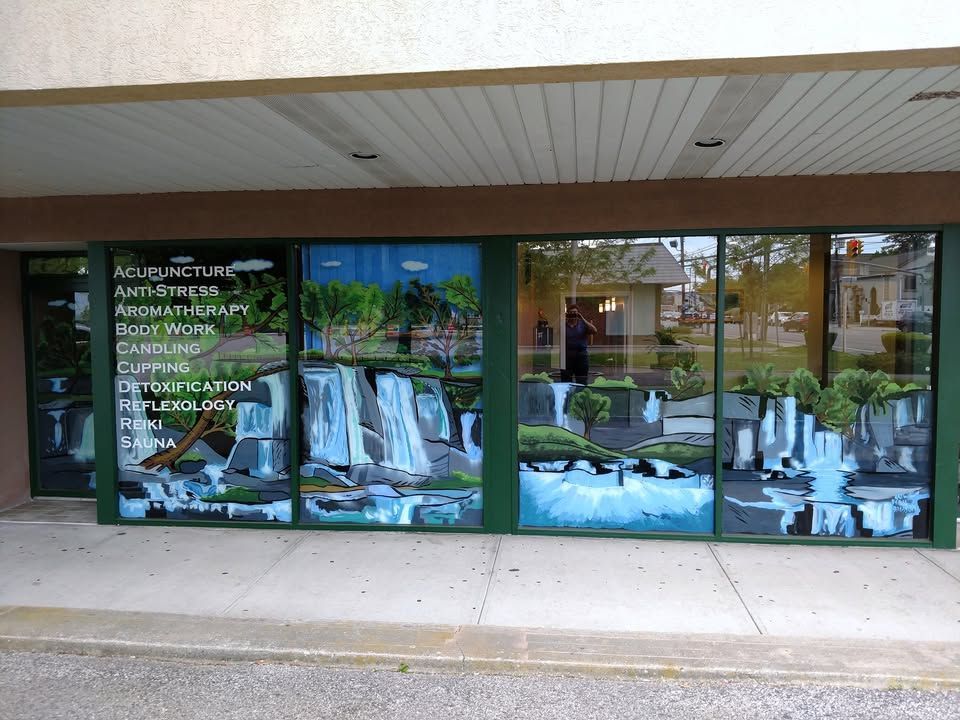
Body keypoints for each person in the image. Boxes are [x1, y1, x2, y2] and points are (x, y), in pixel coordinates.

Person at [561, 304, 597, 384]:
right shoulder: (563, 325)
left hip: (581, 356)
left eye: (575, 312)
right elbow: (554, 331)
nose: (573, 314)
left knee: (582, 380)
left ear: (578, 313)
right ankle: (567, 396)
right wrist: (562, 318)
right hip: (567, 356)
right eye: (570, 312)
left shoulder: (583, 324)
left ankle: (581, 395)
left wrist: (582, 318)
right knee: (565, 381)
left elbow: (594, 331)